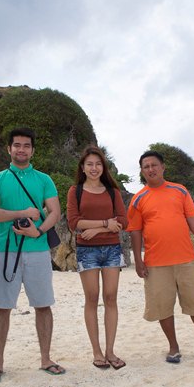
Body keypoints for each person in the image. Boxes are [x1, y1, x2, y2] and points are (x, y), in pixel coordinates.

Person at [127, 150, 194, 363]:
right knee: (162, 306)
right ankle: (173, 347)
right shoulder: (138, 199)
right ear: (142, 172)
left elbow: (193, 219)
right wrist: (138, 260)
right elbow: (135, 231)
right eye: (146, 167)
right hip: (155, 262)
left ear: (163, 167)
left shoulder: (179, 191)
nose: (150, 169)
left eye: (154, 165)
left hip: (186, 259)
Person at [0, 127, 64, 384]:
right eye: (16, 145)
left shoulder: (44, 179)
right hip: (5, 249)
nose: (21, 149)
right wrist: (22, 213)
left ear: (32, 150)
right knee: (2, 307)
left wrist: (37, 230)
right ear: (9, 149)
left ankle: (46, 358)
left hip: (38, 250)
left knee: (43, 305)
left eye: (26, 145)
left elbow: (55, 212)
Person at [66, 146, 128, 370]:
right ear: (83, 167)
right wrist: (104, 224)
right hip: (87, 251)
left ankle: (111, 351)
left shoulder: (113, 192)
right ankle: (97, 352)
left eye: (98, 164)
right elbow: (74, 222)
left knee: (110, 298)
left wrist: (97, 231)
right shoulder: (76, 191)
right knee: (91, 298)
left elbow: (123, 221)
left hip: (112, 249)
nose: (94, 168)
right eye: (89, 164)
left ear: (103, 167)